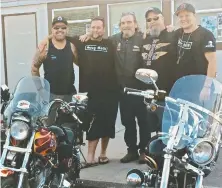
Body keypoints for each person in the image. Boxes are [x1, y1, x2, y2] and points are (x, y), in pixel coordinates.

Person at [38, 16, 118, 167]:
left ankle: (103, 154)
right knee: (91, 124)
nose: (95, 30)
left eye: (98, 27)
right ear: (89, 28)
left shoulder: (110, 44)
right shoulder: (82, 42)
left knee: (108, 123)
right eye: (93, 27)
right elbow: (60, 33)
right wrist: (45, 39)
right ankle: (89, 157)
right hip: (88, 92)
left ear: (103, 29)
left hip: (109, 91)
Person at [142, 7, 177, 132]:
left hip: (167, 92)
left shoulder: (174, 35)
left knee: (167, 128)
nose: (152, 21)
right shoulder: (145, 38)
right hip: (149, 93)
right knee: (152, 127)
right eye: (149, 19)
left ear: (163, 18)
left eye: (156, 18)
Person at [174, 3, 217, 100]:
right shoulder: (177, 34)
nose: (184, 18)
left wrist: (207, 87)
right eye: (181, 16)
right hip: (181, 87)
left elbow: (212, 62)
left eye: (187, 15)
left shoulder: (206, 35)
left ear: (194, 16)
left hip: (199, 87)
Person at [31, 16, 78, 102]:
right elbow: (34, 68)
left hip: (70, 95)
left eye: (63, 27)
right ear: (52, 29)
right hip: (50, 96)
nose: (60, 30)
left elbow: (82, 64)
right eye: (56, 28)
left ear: (67, 29)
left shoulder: (72, 46)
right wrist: (40, 89)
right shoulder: (45, 47)